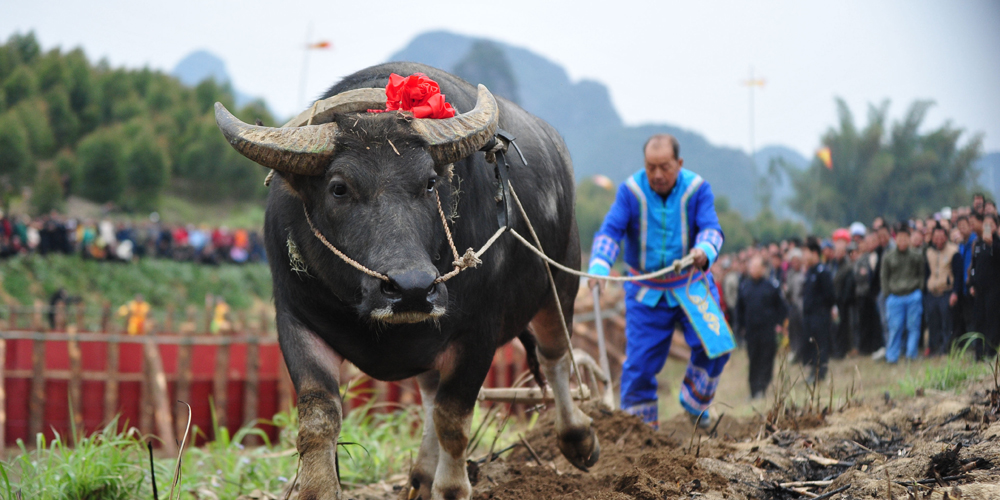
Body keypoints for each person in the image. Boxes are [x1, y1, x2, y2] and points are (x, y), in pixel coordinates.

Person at [588, 133, 730, 429]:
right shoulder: (630, 191)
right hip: (646, 291)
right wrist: (600, 264)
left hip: (691, 282)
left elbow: (711, 229)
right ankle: (641, 435)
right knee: (638, 367)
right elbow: (610, 232)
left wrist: (704, 251)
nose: (657, 175)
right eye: (651, 167)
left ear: (679, 163)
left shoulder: (697, 189)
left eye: (664, 167)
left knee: (716, 344)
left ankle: (695, 402)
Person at [737, 255, 788, 399]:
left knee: (766, 358)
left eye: (756, 267)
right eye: (751, 267)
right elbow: (739, 309)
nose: (753, 270)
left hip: (767, 329)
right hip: (751, 330)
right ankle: (753, 389)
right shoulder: (744, 286)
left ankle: (763, 387)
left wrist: (779, 323)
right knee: (754, 359)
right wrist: (740, 327)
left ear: (763, 269)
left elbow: (782, 308)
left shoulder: (771, 286)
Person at [881, 225, 925, 363]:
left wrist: (919, 289)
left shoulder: (916, 256)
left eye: (905, 238)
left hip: (913, 295)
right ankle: (892, 356)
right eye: (899, 238)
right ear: (895, 238)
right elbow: (884, 277)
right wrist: (887, 293)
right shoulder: (888, 256)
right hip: (895, 297)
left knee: (913, 327)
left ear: (909, 238)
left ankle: (911, 355)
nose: (902, 241)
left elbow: (922, 274)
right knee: (895, 328)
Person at [801, 238, 835, 381]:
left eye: (806, 252)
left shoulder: (823, 272)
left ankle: (820, 373)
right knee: (811, 345)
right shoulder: (810, 272)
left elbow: (830, 295)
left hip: (820, 315)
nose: (804, 256)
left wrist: (822, 310)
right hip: (809, 316)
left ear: (814, 253)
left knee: (820, 345)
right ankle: (813, 371)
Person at [970, 212, 1000, 360]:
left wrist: (991, 245)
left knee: (992, 320)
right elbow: (974, 265)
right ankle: (979, 353)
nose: (988, 227)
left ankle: (991, 352)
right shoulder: (978, 243)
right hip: (979, 289)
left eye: (991, 224)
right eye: (985, 224)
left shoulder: (997, 243)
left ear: (996, 226)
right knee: (979, 319)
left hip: (994, 289)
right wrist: (972, 283)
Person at [924, 224, 957, 355]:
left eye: (941, 237)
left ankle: (946, 348)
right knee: (933, 322)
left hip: (946, 291)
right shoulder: (929, 253)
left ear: (946, 237)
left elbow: (957, 274)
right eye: (935, 237)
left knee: (946, 322)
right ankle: (934, 348)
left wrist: (955, 292)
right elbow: (926, 273)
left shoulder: (953, 251)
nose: (938, 240)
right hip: (932, 292)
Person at [854, 233, 884, 354]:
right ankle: (865, 348)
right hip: (863, 294)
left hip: (875, 294)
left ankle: (876, 346)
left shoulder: (880, 255)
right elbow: (857, 275)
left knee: (877, 322)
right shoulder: (861, 259)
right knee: (864, 322)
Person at [950, 215, 977, 347]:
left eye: (964, 226)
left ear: (970, 226)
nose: (961, 229)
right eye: (959, 227)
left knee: (973, 318)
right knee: (966, 318)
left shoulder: (974, 242)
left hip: (972, 286)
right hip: (963, 288)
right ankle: (970, 345)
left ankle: (975, 345)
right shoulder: (960, 245)